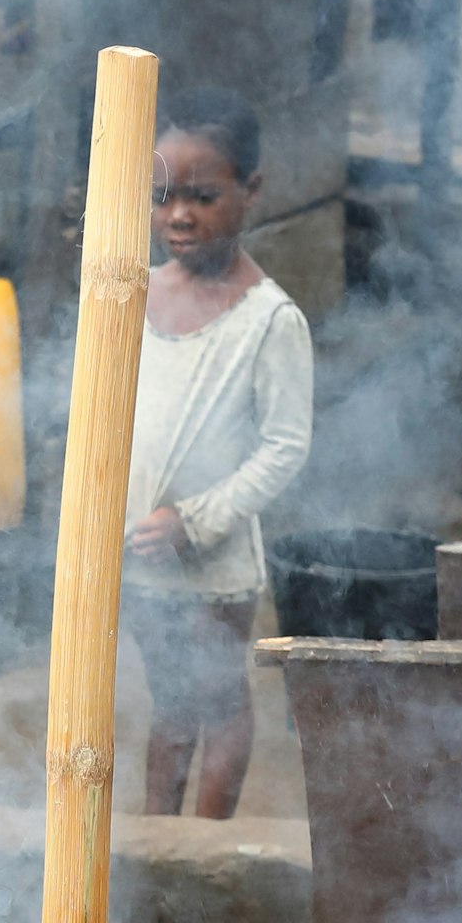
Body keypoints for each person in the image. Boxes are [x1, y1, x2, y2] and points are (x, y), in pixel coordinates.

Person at [125, 85, 313, 821]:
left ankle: (206, 851)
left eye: (201, 196)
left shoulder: (270, 320)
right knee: (167, 703)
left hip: (209, 561)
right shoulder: (131, 293)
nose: (177, 215)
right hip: (139, 552)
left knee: (219, 698)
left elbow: (285, 448)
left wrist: (195, 521)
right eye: (162, 195)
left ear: (250, 191)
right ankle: (155, 850)